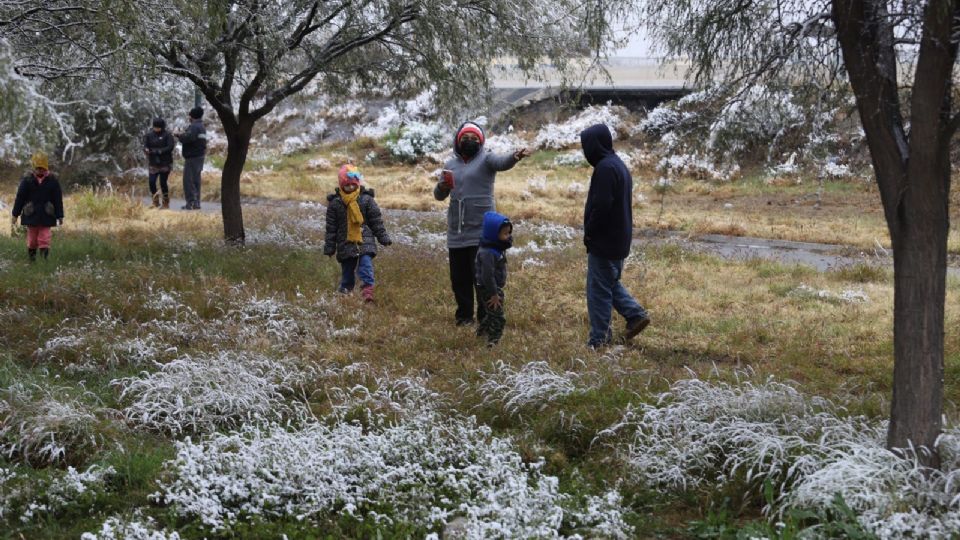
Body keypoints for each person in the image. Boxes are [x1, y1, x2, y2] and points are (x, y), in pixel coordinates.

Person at [434, 121, 532, 326]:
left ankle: (486, 317)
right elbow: (438, 196)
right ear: (458, 141)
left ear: (481, 141)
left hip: (481, 231)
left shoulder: (487, 158)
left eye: (474, 138)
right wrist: (442, 187)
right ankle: (464, 317)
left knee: (482, 278)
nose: (469, 141)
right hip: (456, 231)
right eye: (465, 138)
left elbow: (502, 162)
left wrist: (515, 156)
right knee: (459, 279)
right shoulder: (450, 164)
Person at [580, 123, 650, 349]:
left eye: (587, 146)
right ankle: (635, 314)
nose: (585, 152)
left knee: (598, 291)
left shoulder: (605, 169)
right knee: (608, 282)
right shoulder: (617, 164)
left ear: (595, 145)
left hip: (605, 240)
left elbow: (601, 206)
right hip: (618, 240)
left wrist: (590, 233)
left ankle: (599, 340)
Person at [323, 164, 392, 302]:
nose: (350, 188)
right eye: (347, 185)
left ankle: (367, 293)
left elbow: (376, 220)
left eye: (353, 185)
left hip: (364, 239)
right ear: (341, 185)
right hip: (345, 242)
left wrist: (383, 237)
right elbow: (331, 228)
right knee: (347, 271)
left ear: (357, 183)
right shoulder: (335, 203)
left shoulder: (366, 200)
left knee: (365, 265)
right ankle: (345, 293)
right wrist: (330, 247)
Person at [11, 152, 64, 262]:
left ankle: (44, 260)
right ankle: (32, 260)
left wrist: (60, 215)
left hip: (47, 214)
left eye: (42, 168)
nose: (40, 170)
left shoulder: (53, 181)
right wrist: (15, 214)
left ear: (46, 168)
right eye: (37, 168)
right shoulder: (27, 181)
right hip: (31, 214)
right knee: (32, 240)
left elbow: (58, 199)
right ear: (33, 168)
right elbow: (20, 198)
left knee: (45, 238)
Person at [475, 211, 513, 347]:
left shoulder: (495, 247)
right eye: (505, 234)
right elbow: (487, 275)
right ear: (493, 234)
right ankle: (493, 341)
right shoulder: (488, 253)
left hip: (491, 288)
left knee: (491, 313)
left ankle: (480, 333)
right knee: (498, 317)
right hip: (490, 289)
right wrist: (494, 294)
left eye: (509, 233)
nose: (508, 236)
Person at [175, 107, 207, 210]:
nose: (188, 117)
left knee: (189, 181)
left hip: (192, 158)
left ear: (192, 116)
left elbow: (188, 138)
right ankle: (196, 203)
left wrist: (179, 135)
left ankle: (191, 203)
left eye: (189, 115)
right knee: (196, 181)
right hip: (200, 156)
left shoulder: (194, 127)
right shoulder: (201, 127)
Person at [143, 117, 175, 208]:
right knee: (151, 182)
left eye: (158, 127)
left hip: (165, 162)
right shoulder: (149, 135)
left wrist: (158, 151)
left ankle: (165, 201)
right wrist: (146, 150)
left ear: (162, 127)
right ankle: (155, 200)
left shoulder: (167, 135)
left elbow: (170, 147)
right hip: (153, 162)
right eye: (155, 127)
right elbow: (145, 145)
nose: (156, 129)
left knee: (163, 182)